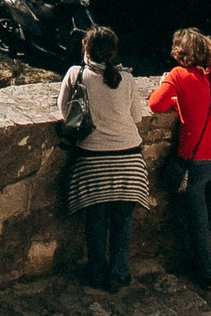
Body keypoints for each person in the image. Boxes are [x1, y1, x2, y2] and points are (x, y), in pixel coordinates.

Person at [60, 25, 150, 292]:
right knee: (122, 222)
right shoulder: (126, 78)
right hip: (130, 161)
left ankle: (97, 273)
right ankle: (119, 274)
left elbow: (65, 113)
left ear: (86, 48)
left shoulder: (76, 75)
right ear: (113, 51)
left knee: (96, 221)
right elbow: (136, 117)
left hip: (93, 160)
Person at [149, 28, 211, 290]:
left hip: (196, 160)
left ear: (181, 53)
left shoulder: (178, 75)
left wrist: (170, 89)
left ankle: (206, 273)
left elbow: (155, 105)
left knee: (199, 219)